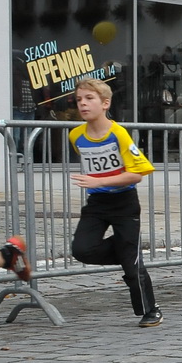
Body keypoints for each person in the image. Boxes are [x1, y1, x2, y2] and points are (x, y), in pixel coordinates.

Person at [68, 78, 160, 327]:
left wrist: (99, 181)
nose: (83, 104)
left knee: (132, 264)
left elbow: (137, 174)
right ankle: (129, 253)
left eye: (89, 99)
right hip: (97, 203)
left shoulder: (118, 133)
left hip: (124, 202)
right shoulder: (76, 135)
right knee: (82, 249)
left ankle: (150, 310)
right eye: (79, 99)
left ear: (105, 103)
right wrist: (97, 184)